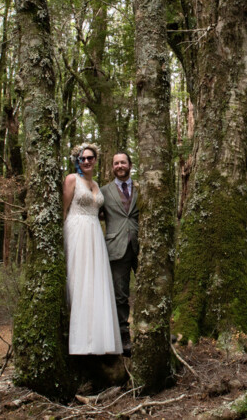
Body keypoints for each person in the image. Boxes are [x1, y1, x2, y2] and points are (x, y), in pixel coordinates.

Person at [63, 143, 122, 355]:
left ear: (95, 160)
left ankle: (99, 339)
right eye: (82, 158)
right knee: (80, 281)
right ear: (77, 161)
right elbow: (64, 209)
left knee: (96, 283)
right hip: (77, 230)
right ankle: (79, 341)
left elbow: (100, 210)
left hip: (95, 233)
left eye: (90, 158)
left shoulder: (96, 184)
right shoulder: (72, 180)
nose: (86, 161)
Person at [100, 152, 139, 356]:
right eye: (116, 163)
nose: (120, 165)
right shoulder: (104, 191)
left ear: (130, 165)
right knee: (120, 294)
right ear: (112, 167)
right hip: (116, 248)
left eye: (123, 162)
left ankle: (147, 330)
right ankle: (124, 335)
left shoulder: (142, 188)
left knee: (147, 289)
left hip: (141, 246)